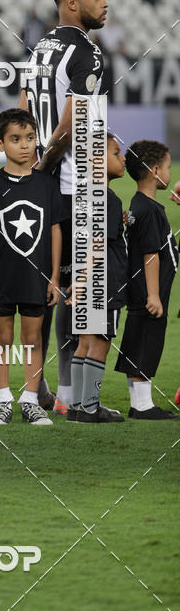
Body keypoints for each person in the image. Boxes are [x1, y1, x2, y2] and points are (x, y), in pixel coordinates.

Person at [20, 0, 108, 415]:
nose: (105, 2)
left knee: (54, 287)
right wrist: (47, 161)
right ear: (71, 3)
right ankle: (73, 397)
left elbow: (22, 108)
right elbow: (75, 119)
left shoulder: (40, 48)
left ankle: (43, 391)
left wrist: (27, 166)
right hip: (74, 186)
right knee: (83, 290)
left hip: (41, 188)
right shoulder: (87, 53)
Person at [0, 109, 64, 426]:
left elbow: (54, 230)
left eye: (29, 138)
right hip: (1, 277)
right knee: (2, 338)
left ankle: (30, 400)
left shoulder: (47, 185)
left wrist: (53, 277)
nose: (24, 145)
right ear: (0, 144)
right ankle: (2, 401)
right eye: (15, 139)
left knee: (33, 338)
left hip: (36, 277)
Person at [114, 140, 179, 419]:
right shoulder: (150, 210)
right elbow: (150, 255)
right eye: (167, 167)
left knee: (139, 337)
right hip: (149, 291)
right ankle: (142, 405)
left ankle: (139, 402)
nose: (170, 172)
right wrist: (154, 294)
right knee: (147, 340)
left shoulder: (140, 205)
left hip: (141, 289)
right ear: (154, 170)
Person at [66, 134, 127, 423]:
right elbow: (99, 244)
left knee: (84, 342)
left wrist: (78, 280)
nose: (123, 158)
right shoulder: (108, 198)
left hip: (85, 281)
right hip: (103, 284)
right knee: (100, 343)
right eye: (116, 153)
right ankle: (91, 408)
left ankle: (77, 407)